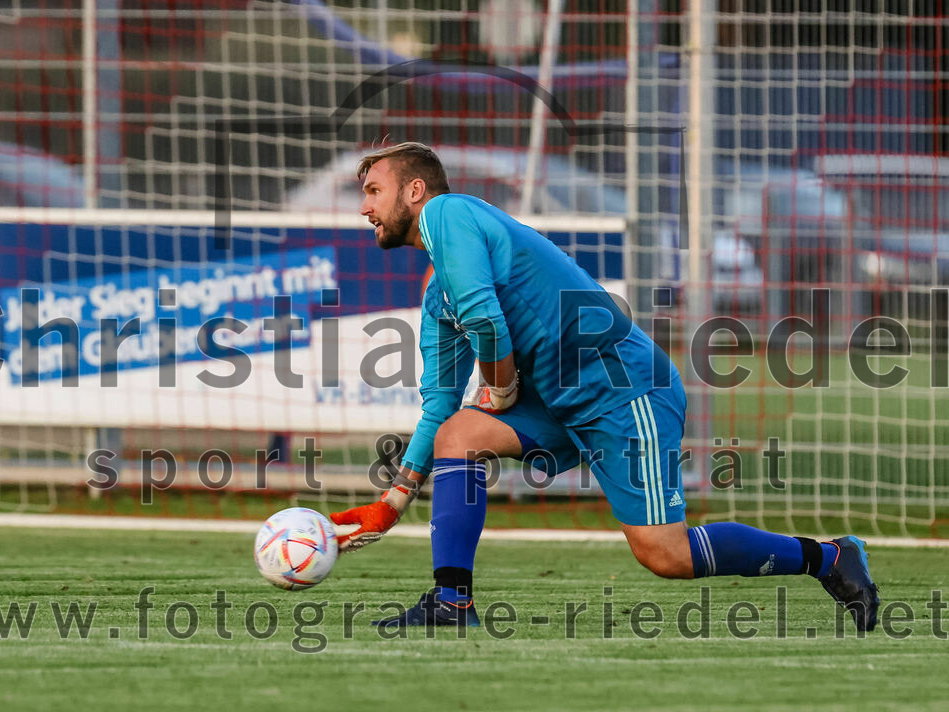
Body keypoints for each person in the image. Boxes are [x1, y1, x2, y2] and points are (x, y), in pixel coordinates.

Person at [330, 142, 880, 632]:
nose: (365, 207)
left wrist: (499, 392)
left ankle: (829, 556)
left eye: (375, 190)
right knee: (457, 436)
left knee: (665, 555)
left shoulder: (448, 213)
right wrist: (392, 501)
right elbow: (440, 406)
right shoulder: (436, 299)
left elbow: (487, 320)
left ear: (416, 190)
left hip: (624, 389)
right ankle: (451, 604)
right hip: (561, 402)